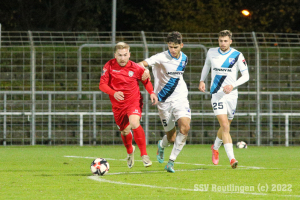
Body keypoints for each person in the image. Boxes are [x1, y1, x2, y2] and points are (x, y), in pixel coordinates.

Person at [99, 42, 158, 169]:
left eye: (125, 55)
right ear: (115, 55)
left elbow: (146, 80)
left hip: (133, 100)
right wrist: (113, 93)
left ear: (129, 54)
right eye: (120, 55)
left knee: (134, 122)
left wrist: (152, 92)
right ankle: (130, 151)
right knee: (125, 131)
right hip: (118, 105)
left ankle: (144, 156)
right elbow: (102, 85)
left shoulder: (135, 67)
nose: (122, 58)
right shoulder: (109, 66)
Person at [138, 31, 191, 173]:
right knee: (172, 137)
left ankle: (171, 162)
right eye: (170, 47)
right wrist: (144, 69)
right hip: (163, 101)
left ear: (181, 45)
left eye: (175, 47)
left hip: (180, 98)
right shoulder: (161, 57)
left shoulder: (184, 58)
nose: (172, 50)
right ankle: (161, 145)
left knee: (185, 127)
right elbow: (141, 64)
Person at [198, 30, 249, 169]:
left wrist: (233, 85)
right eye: (221, 41)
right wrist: (202, 80)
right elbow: (207, 66)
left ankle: (215, 147)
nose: (223, 43)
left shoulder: (237, 55)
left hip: (232, 95)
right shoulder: (211, 52)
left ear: (230, 41)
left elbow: (246, 76)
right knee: (225, 126)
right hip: (217, 94)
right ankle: (232, 159)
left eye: (225, 41)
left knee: (225, 126)